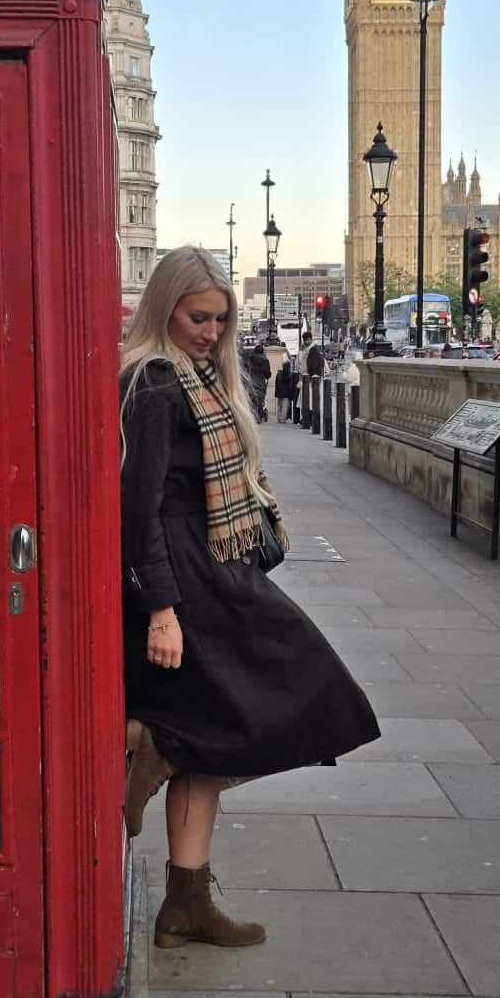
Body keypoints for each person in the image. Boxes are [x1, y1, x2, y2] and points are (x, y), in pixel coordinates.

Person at [119, 249, 380, 949]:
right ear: (165, 309)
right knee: (304, 677)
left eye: (220, 320)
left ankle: (185, 904)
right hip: (187, 580)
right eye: (197, 318)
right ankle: (148, 739)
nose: (210, 332)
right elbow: (137, 513)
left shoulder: (201, 376)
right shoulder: (155, 385)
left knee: (208, 739)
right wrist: (161, 611)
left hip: (212, 563)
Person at [243, 342, 270, 421]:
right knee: (260, 399)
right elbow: (267, 374)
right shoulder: (266, 361)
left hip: (251, 380)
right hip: (261, 381)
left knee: (252, 398)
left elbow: (246, 369)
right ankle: (259, 415)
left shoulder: (250, 359)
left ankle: (252, 414)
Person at [273, 357, 295, 423]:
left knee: (279, 405)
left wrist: (276, 392)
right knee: (285, 406)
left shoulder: (279, 374)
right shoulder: (289, 375)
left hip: (280, 392)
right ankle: (283, 418)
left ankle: (279, 418)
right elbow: (290, 386)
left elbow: (276, 384)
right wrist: (291, 394)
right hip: (286, 393)